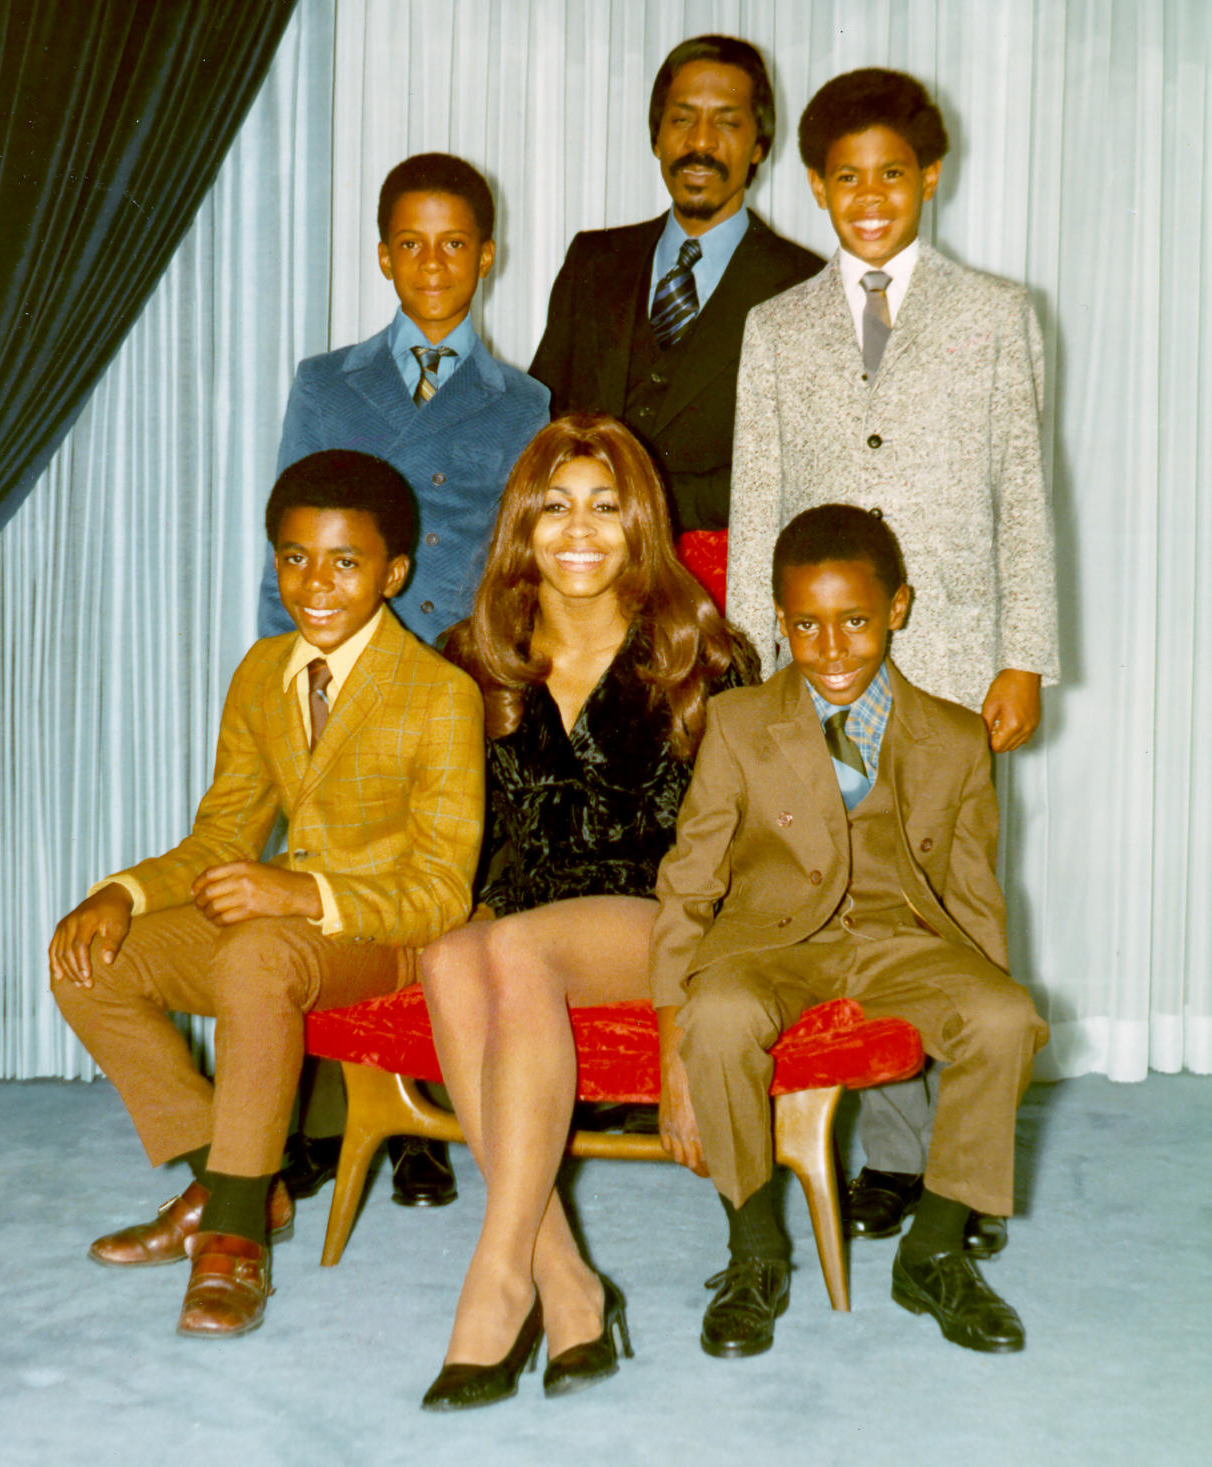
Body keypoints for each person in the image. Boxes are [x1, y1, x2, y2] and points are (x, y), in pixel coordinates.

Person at [726, 68, 1060, 1239]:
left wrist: (1023, 654)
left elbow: (1024, 490)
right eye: (846, 178)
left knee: (954, 908)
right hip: (818, 660)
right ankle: (881, 1143)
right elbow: (759, 495)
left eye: (893, 174)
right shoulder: (777, 327)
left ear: (931, 177)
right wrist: (752, 661)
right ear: (815, 187)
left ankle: (949, 1172)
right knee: (838, 896)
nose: (870, 198)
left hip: (955, 657)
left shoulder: (996, 315)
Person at [50, 450, 484, 1338]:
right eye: (294, 558)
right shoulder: (261, 672)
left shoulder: (441, 694)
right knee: (90, 963)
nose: (315, 584)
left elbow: (440, 890)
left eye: (345, 561)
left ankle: (233, 1240)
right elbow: (220, 839)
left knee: (257, 950)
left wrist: (299, 893)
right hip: (278, 947)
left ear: (394, 572)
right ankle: (235, 1178)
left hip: (383, 936)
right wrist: (123, 893)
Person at [652, 504, 1048, 1359]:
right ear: (779, 618)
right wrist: (668, 1030)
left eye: (856, 621)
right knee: (716, 1016)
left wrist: (982, 1002)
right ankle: (754, 1250)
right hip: (771, 942)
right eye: (806, 626)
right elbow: (689, 883)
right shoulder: (739, 725)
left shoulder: (953, 737)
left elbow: (975, 893)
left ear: (898, 609)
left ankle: (936, 1248)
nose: (831, 650)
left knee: (1007, 1016)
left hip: (900, 940)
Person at [418, 414, 757, 1410]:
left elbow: (741, 862)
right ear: (521, 528)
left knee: (515, 947)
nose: (580, 529)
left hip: (663, 924)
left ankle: (497, 1280)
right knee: (448, 954)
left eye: (607, 507)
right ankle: (570, 1286)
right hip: (529, 922)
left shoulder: (705, 656)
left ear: (640, 523)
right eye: (555, 506)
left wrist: (689, 1030)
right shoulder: (474, 659)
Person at [257, 153, 547, 1206]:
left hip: (454, 687)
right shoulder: (326, 384)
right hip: (338, 672)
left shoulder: (523, 403)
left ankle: (422, 1119)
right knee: (321, 883)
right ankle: (316, 1118)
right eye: (412, 244)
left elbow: (519, 566)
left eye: (455, 243)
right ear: (383, 256)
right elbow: (282, 551)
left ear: (488, 256)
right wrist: (277, 684)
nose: (434, 263)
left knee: (434, 891)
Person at [529, 34, 821, 606]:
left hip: (724, 598)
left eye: (727, 123)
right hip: (584, 588)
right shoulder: (592, 259)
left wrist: (636, 504)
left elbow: (799, 469)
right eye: (682, 120)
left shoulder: (806, 285)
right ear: (657, 136)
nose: (701, 143)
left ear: (759, 144)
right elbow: (544, 420)